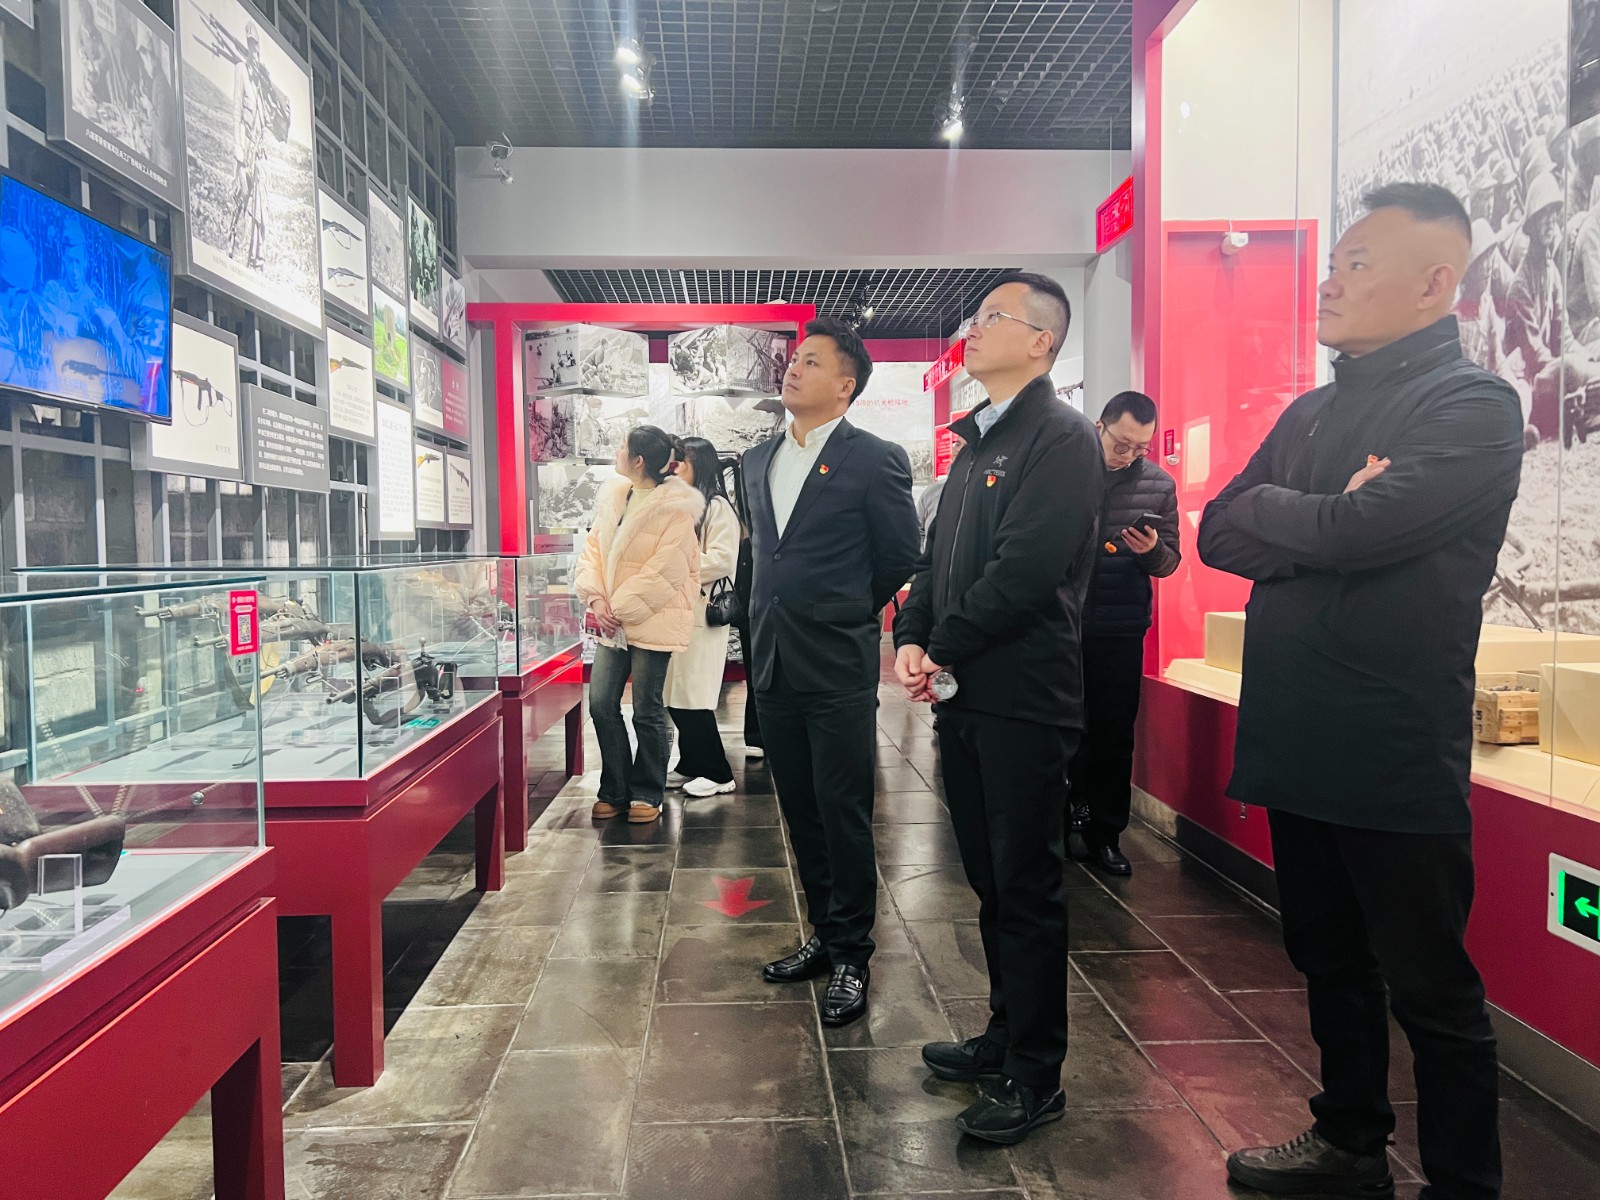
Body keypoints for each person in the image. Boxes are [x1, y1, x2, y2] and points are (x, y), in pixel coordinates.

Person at [1198, 183, 1522, 1200]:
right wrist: (1319, 516)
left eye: (1357, 263)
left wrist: (1303, 520)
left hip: (1392, 743)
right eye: (1334, 262)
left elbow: (1364, 529)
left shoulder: (1472, 406)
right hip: (1296, 734)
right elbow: (1217, 530)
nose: (1330, 282)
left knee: (1429, 985)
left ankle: (1463, 1182)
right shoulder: (1311, 410)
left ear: (1434, 283)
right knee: (1327, 956)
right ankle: (1347, 1140)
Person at [894, 273, 1103, 1145]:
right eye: (974, 319)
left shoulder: (1062, 438)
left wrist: (942, 644)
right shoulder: (978, 439)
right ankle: (1004, 1033)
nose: (971, 332)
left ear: (1043, 341)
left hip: (1024, 698)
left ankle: (1036, 1073)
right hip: (968, 695)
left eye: (992, 318)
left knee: (1027, 887)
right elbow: (935, 558)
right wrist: (912, 633)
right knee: (990, 881)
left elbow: (1025, 573)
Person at [743, 317, 918, 1028]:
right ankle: (823, 931)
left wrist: (844, 611)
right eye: (794, 358)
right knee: (799, 808)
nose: (794, 368)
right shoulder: (757, 459)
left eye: (812, 362)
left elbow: (899, 556)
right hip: (772, 660)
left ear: (846, 385)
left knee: (843, 810)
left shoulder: (874, 459)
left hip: (837, 661)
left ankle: (852, 952)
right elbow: (764, 556)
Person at [1068, 389, 1180, 877]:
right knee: (1061, 730)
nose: (1129, 454)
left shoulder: (1158, 485)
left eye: (1141, 447)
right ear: (1100, 426)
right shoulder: (1066, 470)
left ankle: (1106, 835)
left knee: (1113, 735)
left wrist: (1150, 549)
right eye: (1122, 443)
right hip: (1061, 624)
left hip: (1120, 628)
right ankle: (1058, 823)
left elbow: (1170, 562)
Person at [575, 426, 705, 826]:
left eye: (622, 447)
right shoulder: (616, 497)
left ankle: (648, 790)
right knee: (601, 703)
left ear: (639, 460)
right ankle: (615, 788)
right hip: (612, 621)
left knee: (647, 709)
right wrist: (597, 599)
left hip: (652, 618)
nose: (617, 452)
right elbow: (592, 552)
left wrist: (618, 606)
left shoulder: (677, 508)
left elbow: (667, 569)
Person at [663, 437, 741, 798]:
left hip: (701, 612)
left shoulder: (717, 507)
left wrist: (675, 565)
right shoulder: (686, 504)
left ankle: (718, 772)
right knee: (676, 693)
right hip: (679, 612)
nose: (676, 468)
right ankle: (690, 763)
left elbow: (722, 560)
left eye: (684, 461)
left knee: (693, 694)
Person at [915, 432, 965, 550]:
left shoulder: (984, 491)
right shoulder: (933, 491)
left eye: (966, 446)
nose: (959, 450)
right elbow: (917, 530)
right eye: (957, 444)